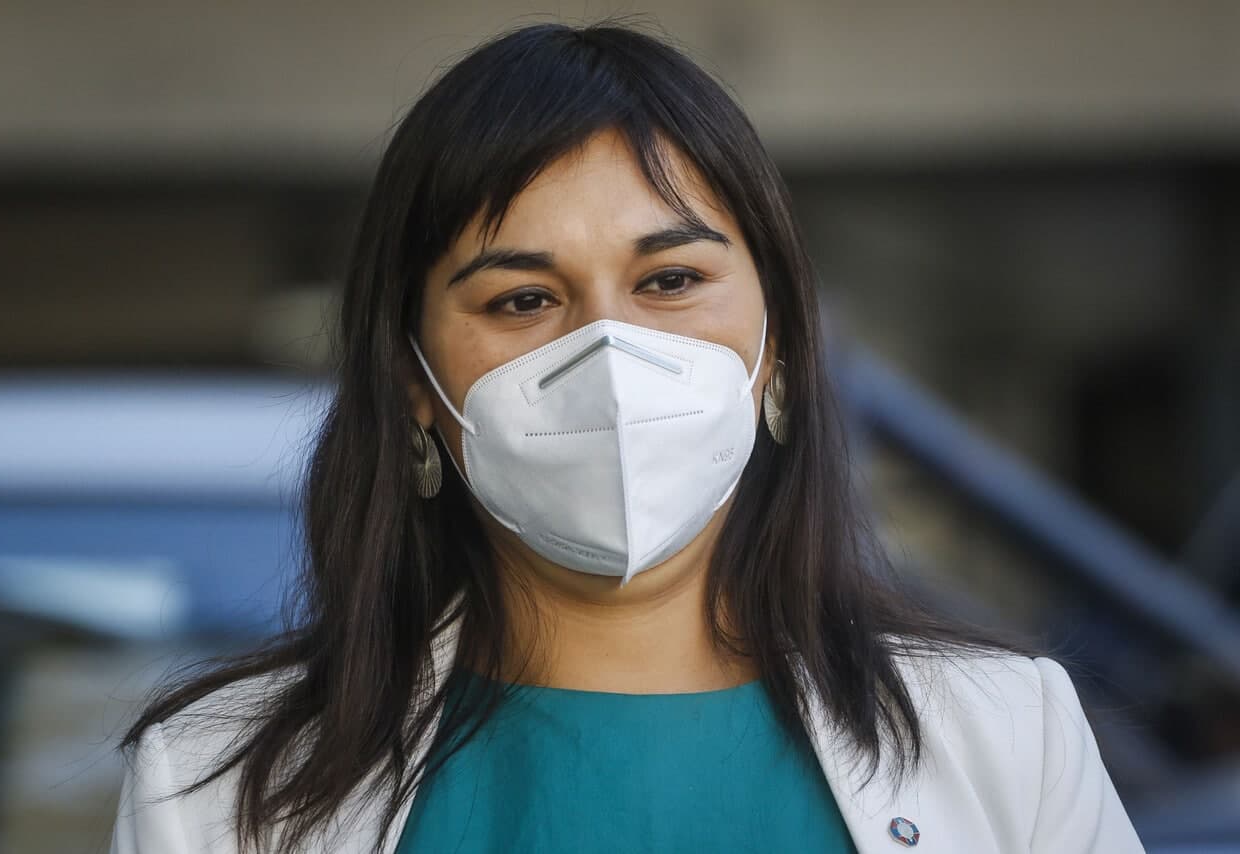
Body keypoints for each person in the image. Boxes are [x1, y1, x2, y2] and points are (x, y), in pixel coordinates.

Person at [109, 19, 1145, 854]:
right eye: (522, 299)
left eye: (670, 280)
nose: (608, 353)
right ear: (413, 382)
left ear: (779, 346)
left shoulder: (1006, 733)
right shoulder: (219, 789)